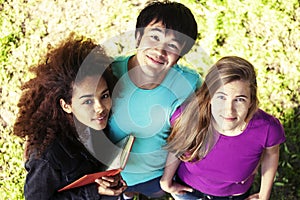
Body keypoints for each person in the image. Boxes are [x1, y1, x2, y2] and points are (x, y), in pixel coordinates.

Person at [13, 35, 127, 199]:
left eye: (104, 96)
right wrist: (92, 192)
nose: (100, 108)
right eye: (87, 101)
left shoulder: (94, 122)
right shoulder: (47, 156)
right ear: (66, 105)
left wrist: (108, 179)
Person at [107, 1, 201, 199]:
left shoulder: (189, 84)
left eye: (173, 45)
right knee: (122, 193)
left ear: (182, 54)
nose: (160, 51)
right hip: (110, 175)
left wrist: (167, 179)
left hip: (157, 174)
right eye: (154, 37)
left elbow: (187, 135)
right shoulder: (110, 73)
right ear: (138, 37)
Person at [160, 56, 286, 200]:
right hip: (187, 189)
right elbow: (178, 146)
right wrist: (167, 180)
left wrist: (264, 195)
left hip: (231, 195)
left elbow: (271, 154)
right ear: (209, 96)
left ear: (251, 101)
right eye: (221, 97)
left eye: (239, 99)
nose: (229, 110)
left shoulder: (267, 128)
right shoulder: (187, 117)